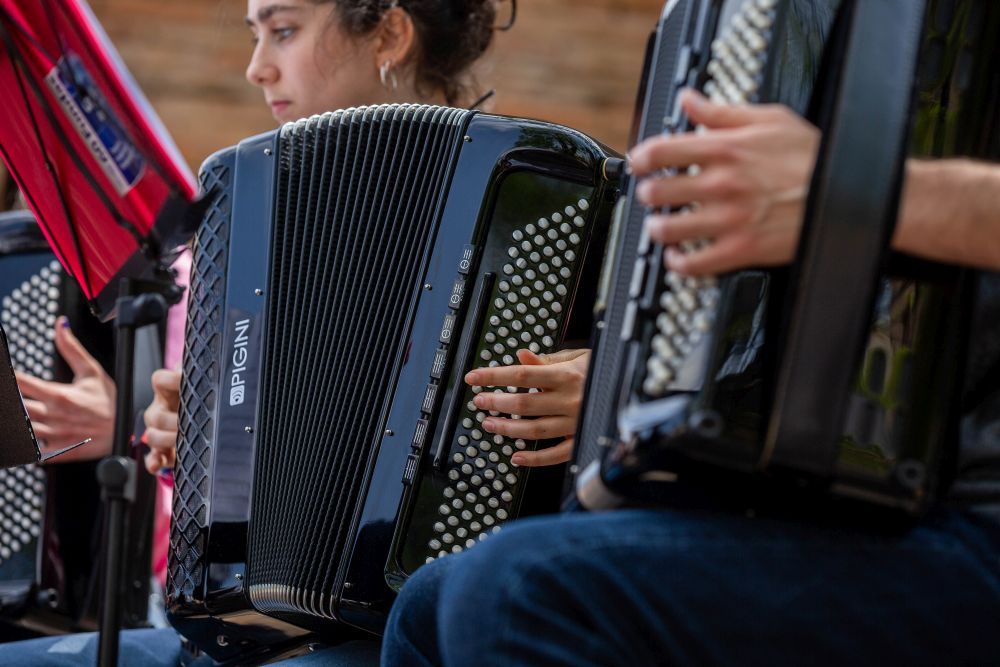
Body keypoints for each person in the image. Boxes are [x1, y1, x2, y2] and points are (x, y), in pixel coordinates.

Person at [380, 89, 1000, 666]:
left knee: (512, 590)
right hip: (884, 480)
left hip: (973, 516)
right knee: (424, 604)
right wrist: (633, 374)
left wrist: (850, 192)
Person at [0, 1, 501, 665]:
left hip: (402, 635)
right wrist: (187, 446)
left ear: (389, 33)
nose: (257, 68)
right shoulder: (256, 213)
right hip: (233, 628)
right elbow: (228, 510)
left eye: (283, 31)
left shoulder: (512, 201)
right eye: (255, 35)